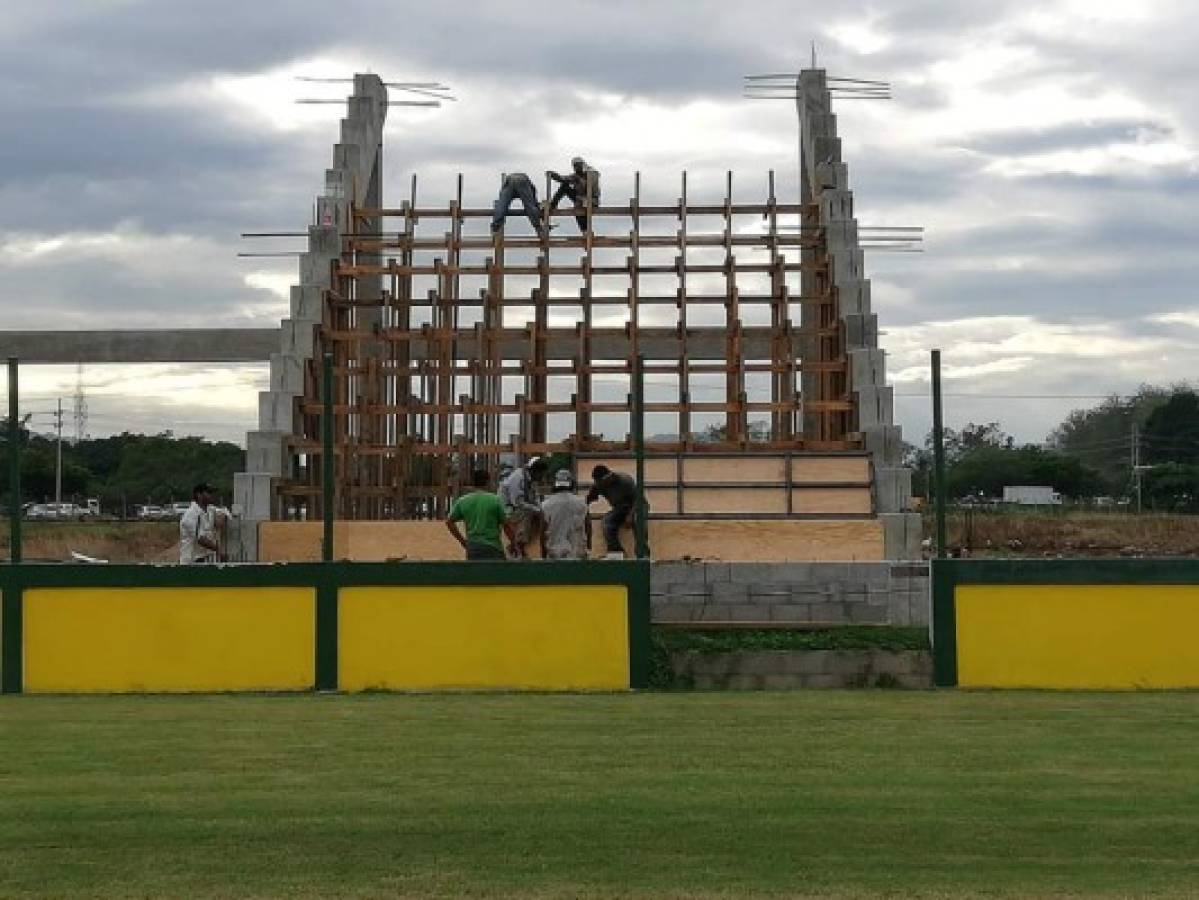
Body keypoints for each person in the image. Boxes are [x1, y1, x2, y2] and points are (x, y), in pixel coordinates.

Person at [445, 469, 515, 561]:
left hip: (473, 548)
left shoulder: (463, 501)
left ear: (473, 483)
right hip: (493, 547)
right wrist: (514, 543)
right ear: (488, 482)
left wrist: (463, 541)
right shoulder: (495, 500)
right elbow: (506, 526)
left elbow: (449, 522)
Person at [586, 464, 641, 558]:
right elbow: (590, 499)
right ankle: (617, 552)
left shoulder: (624, 481)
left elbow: (637, 500)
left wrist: (630, 515)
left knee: (638, 520)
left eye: (602, 482)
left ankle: (642, 551)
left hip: (637, 506)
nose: (601, 485)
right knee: (607, 522)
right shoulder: (599, 484)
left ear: (609, 477)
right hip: (620, 508)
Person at [498, 456, 548, 558]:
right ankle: (518, 545)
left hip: (518, 507)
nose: (542, 477)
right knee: (528, 513)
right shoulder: (518, 478)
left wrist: (541, 509)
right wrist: (538, 510)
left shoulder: (530, 479)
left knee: (539, 517)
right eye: (541, 474)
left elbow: (535, 498)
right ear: (536, 471)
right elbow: (517, 502)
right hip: (508, 508)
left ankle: (521, 544)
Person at [540, 469, 591, 560]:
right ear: (571, 484)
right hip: (577, 554)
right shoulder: (582, 503)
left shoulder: (546, 505)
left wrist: (543, 555)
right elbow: (588, 527)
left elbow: (542, 532)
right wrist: (589, 547)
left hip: (554, 555)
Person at [548, 156, 601, 232]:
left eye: (577, 166)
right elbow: (564, 179)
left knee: (579, 207)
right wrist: (554, 176)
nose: (575, 168)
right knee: (564, 186)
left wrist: (579, 180)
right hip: (580, 198)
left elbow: (589, 188)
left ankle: (586, 230)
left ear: (582, 164)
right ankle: (552, 205)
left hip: (592, 199)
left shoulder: (592, 173)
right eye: (574, 166)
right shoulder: (577, 175)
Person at [491, 172, 548, 236]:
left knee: (501, 205)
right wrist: (539, 223)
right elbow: (532, 204)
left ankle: (495, 228)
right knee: (530, 206)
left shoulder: (529, 188)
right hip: (522, 179)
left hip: (509, 180)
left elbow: (501, 201)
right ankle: (539, 230)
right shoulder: (531, 188)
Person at [179, 482, 222, 564]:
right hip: (191, 561)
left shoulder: (210, 509)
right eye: (209, 492)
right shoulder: (190, 514)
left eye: (212, 492)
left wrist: (221, 518)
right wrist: (218, 549)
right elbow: (200, 539)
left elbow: (224, 512)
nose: (212, 495)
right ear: (199, 495)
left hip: (205, 560)